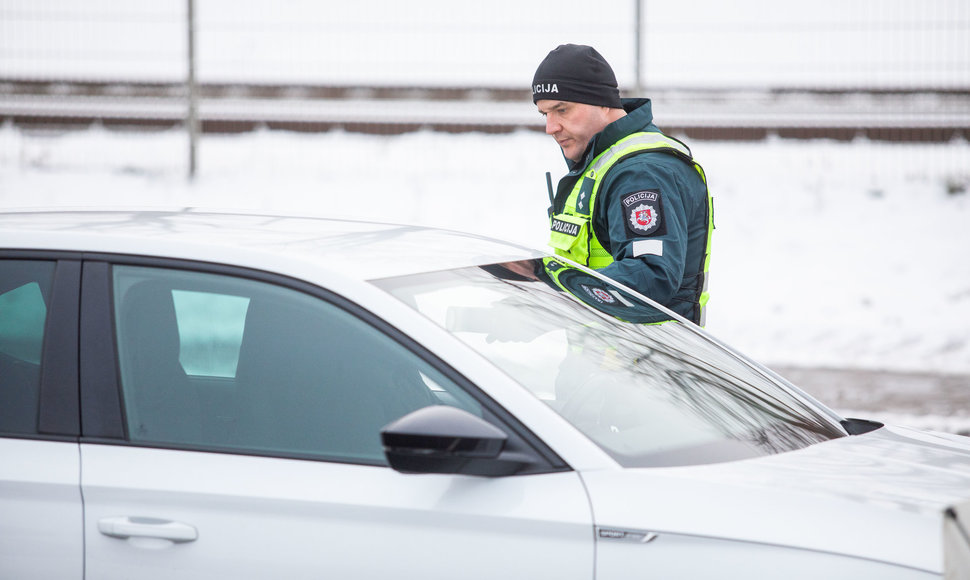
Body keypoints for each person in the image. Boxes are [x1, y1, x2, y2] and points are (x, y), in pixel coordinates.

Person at [533, 44, 714, 325]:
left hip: (644, 362)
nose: (551, 127)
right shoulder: (601, 164)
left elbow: (651, 275)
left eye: (562, 110)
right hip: (606, 359)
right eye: (545, 114)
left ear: (602, 103)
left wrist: (549, 299)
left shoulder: (641, 173)